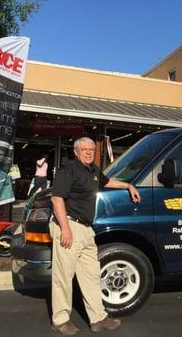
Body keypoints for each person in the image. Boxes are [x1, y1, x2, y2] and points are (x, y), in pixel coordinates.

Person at [49, 137, 140, 335]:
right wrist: (65, 229)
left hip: (86, 229)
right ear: (76, 151)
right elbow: (57, 199)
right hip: (69, 225)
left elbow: (108, 182)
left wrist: (128, 186)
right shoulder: (69, 170)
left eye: (91, 149)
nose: (89, 152)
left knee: (91, 275)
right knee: (63, 277)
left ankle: (98, 318)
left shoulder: (94, 171)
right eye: (84, 149)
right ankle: (60, 319)